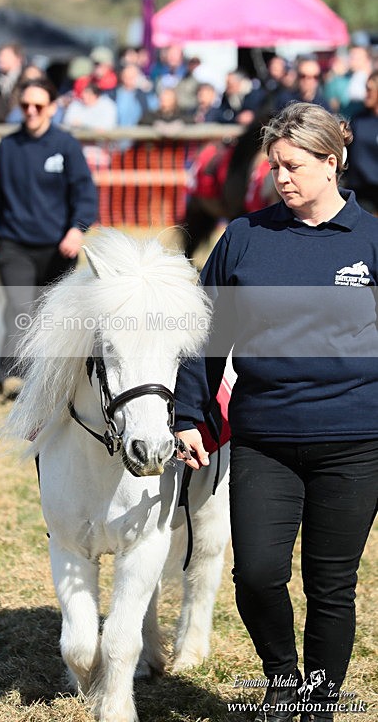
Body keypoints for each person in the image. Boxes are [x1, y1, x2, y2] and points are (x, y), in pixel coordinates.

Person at [174, 102, 378, 722]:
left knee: (330, 586)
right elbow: (203, 333)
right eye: (274, 166)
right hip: (264, 437)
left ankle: (314, 704)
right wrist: (190, 412)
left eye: (293, 166)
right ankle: (282, 678)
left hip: (356, 440)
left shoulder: (372, 240)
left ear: (332, 162)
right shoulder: (244, 238)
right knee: (257, 575)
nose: (280, 178)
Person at [0, 77, 99, 394]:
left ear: (53, 108)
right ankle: (15, 374)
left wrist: (77, 229)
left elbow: (84, 193)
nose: (31, 111)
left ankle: (43, 376)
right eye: (25, 105)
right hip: (14, 243)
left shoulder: (67, 147)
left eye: (38, 105)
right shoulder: (6, 147)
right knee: (20, 308)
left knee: (49, 313)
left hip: (58, 247)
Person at [344, 69, 378, 213]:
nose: (366, 94)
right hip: (361, 193)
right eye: (366, 88)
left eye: (370, 89)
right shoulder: (358, 120)